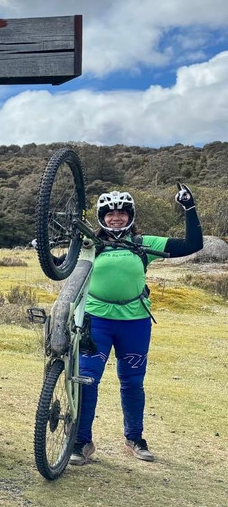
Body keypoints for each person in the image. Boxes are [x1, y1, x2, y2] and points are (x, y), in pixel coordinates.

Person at [70, 184, 203, 466]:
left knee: (132, 382)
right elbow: (60, 263)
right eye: (110, 214)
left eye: (122, 213)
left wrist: (189, 208)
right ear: (101, 218)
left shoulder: (144, 243)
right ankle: (82, 441)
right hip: (97, 321)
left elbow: (192, 245)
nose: (116, 217)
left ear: (130, 216)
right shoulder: (89, 244)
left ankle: (134, 438)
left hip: (135, 322)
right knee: (87, 380)